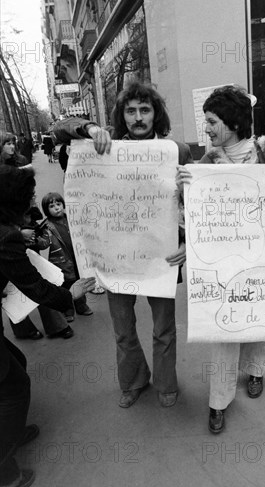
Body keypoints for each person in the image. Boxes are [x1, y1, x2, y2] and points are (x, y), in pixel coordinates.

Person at [53, 81, 193, 408]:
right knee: (123, 329)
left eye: (145, 110)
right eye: (131, 110)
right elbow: (60, 128)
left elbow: (196, 205)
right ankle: (132, 380)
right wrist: (88, 128)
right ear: (122, 115)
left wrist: (188, 234)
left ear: (156, 113)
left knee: (163, 330)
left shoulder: (177, 151)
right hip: (115, 257)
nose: (138, 117)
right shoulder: (106, 148)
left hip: (161, 257)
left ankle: (166, 383)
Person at [176, 85, 265, 434]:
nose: (206, 129)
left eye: (211, 122)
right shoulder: (205, 163)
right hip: (225, 265)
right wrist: (183, 187)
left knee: (261, 321)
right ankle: (219, 401)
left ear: (234, 122)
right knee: (225, 331)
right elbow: (194, 214)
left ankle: (255, 371)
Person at [0, 164, 95, 487]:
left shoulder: (7, 233)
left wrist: (19, 234)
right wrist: (70, 295)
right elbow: (35, 287)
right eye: (27, 198)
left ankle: (9, 429)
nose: (32, 202)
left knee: (14, 365)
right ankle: (3, 470)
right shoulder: (6, 240)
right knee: (13, 388)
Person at [8, 205, 74, 340]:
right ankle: (24, 329)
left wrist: (35, 237)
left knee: (39, 285)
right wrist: (20, 233)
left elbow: (40, 240)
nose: (33, 196)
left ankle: (57, 326)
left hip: (29, 253)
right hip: (7, 253)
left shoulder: (29, 210)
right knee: (13, 294)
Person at [41, 192, 93, 322]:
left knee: (80, 281)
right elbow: (44, 244)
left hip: (77, 258)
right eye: (52, 206)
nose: (57, 208)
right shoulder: (47, 226)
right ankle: (67, 309)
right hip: (61, 262)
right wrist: (36, 239)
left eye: (59, 204)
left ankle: (81, 305)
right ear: (46, 210)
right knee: (66, 284)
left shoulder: (71, 218)